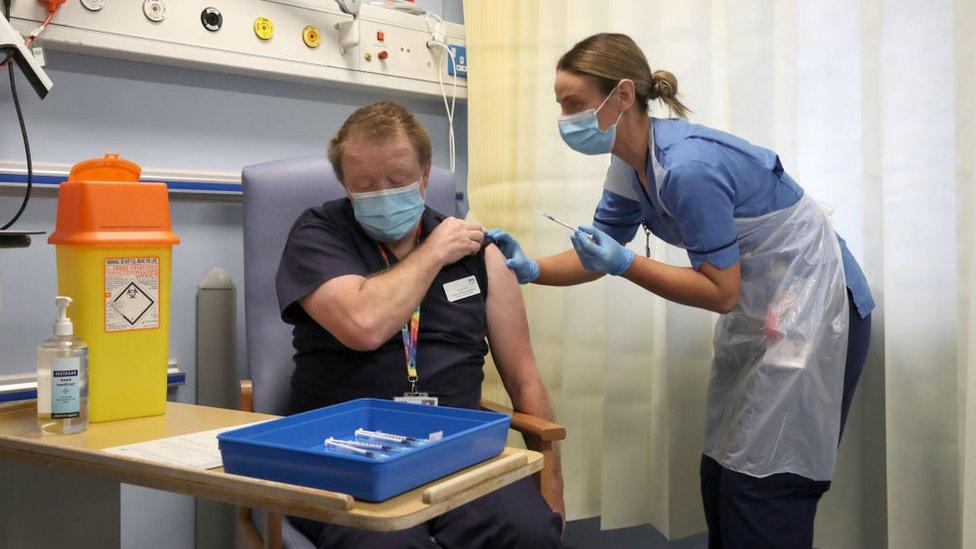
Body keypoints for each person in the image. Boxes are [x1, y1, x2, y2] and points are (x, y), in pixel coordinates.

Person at [488, 33, 874, 549]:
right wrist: (529, 267)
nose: (564, 118)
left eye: (574, 103)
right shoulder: (630, 164)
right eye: (560, 104)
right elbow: (597, 252)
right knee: (721, 478)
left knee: (766, 484)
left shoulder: (688, 168)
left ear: (622, 95)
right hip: (767, 308)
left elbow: (719, 292)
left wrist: (626, 264)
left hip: (817, 305)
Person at [275, 101, 564, 549]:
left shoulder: (480, 254)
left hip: (457, 454)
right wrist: (434, 252)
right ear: (345, 187)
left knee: (529, 530)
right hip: (345, 456)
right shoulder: (317, 233)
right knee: (387, 545)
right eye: (366, 185)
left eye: (397, 180)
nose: (384, 193)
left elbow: (524, 377)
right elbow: (365, 324)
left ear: (425, 175)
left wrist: (554, 485)